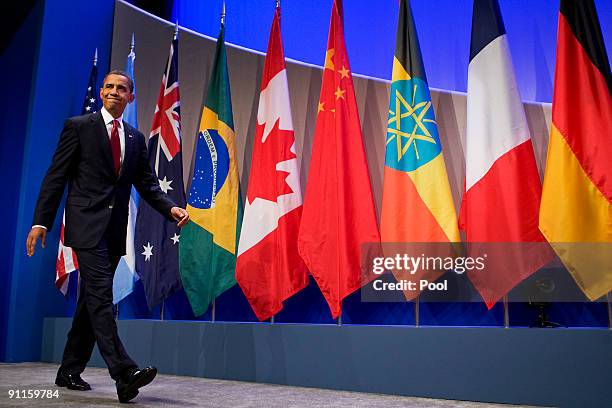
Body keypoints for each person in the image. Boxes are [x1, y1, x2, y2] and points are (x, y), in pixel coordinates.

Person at [26, 70, 189, 403]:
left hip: (113, 231)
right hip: (85, 228)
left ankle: (69, 369)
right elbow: (56, 176)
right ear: (101, 93)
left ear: (130, 97)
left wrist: (170, 208)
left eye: (122, 88)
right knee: (101, 297)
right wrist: (41, 221)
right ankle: (124, 372)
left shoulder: (136, 138)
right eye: (110, 87)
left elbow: (147, 183)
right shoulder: (78, 127)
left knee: (90, 302)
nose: (114, 92)